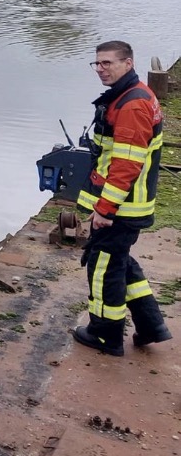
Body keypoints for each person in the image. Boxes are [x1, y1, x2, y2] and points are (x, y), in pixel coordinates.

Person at [71, 40, 170, 356]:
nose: (101, 69)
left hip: (122, 208)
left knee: (103, 269)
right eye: (97, 64)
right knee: (122, 263)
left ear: (128, 63)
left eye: (108, 63)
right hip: (127, 205)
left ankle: (105, 335)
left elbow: (126, 165)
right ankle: (151, 326)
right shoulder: (132, 95)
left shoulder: (131, 105)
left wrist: (105, 208)